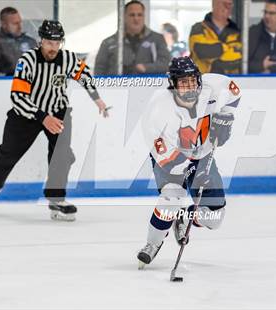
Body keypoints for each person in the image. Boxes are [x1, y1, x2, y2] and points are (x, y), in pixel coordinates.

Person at [0, 20, 110, 221]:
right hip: (26, 114)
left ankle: (56, 199)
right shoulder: (27, 60)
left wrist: (96, 98)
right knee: (8, 152)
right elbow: (18, 97)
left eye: (57, 43)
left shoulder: (67, 59)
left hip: (57, 111)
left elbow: (84, 75)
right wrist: (42, 117)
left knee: (61, 155)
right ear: (41, 41)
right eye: (49, 42)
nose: (53, 47)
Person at [137, 57, 241, 266]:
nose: (189, 87)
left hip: (202, 156)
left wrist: (226, 117)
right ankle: (152, 243)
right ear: (173, 84)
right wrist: (192, 172)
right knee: (171, 198)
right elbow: (168, 159)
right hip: (170, 159)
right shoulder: (158, 110)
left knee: (215, 218)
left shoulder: (212, 87)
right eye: (183, 82)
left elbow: (235, 91)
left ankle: (185, 218)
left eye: (192, 81)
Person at [94, 0, 170, 75]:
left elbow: (166, 64)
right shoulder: (109, 43)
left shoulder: (157, 39)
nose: (136, 19)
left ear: (144, 16)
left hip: (149, 86)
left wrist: (146, 68)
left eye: (139, 15)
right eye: (132, 15)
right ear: (124, 17)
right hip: (117, 86)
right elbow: (99, 71)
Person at [189, 0, 242, 74]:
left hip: (229, 81)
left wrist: (215, 62)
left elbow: (238, 57)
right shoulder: (198, 28)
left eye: (230, 4)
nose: (227, 7)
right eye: (224, 3)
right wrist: (225, 47)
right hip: (202, 80)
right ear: (214, 4)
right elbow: (201, 50)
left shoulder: (237, 32)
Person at [0, 7, 37, 76]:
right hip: (4, 84)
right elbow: (1, 67)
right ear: (4, 24)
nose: (20, 26)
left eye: (20, 22)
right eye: (15, 23)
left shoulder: (30, 41)